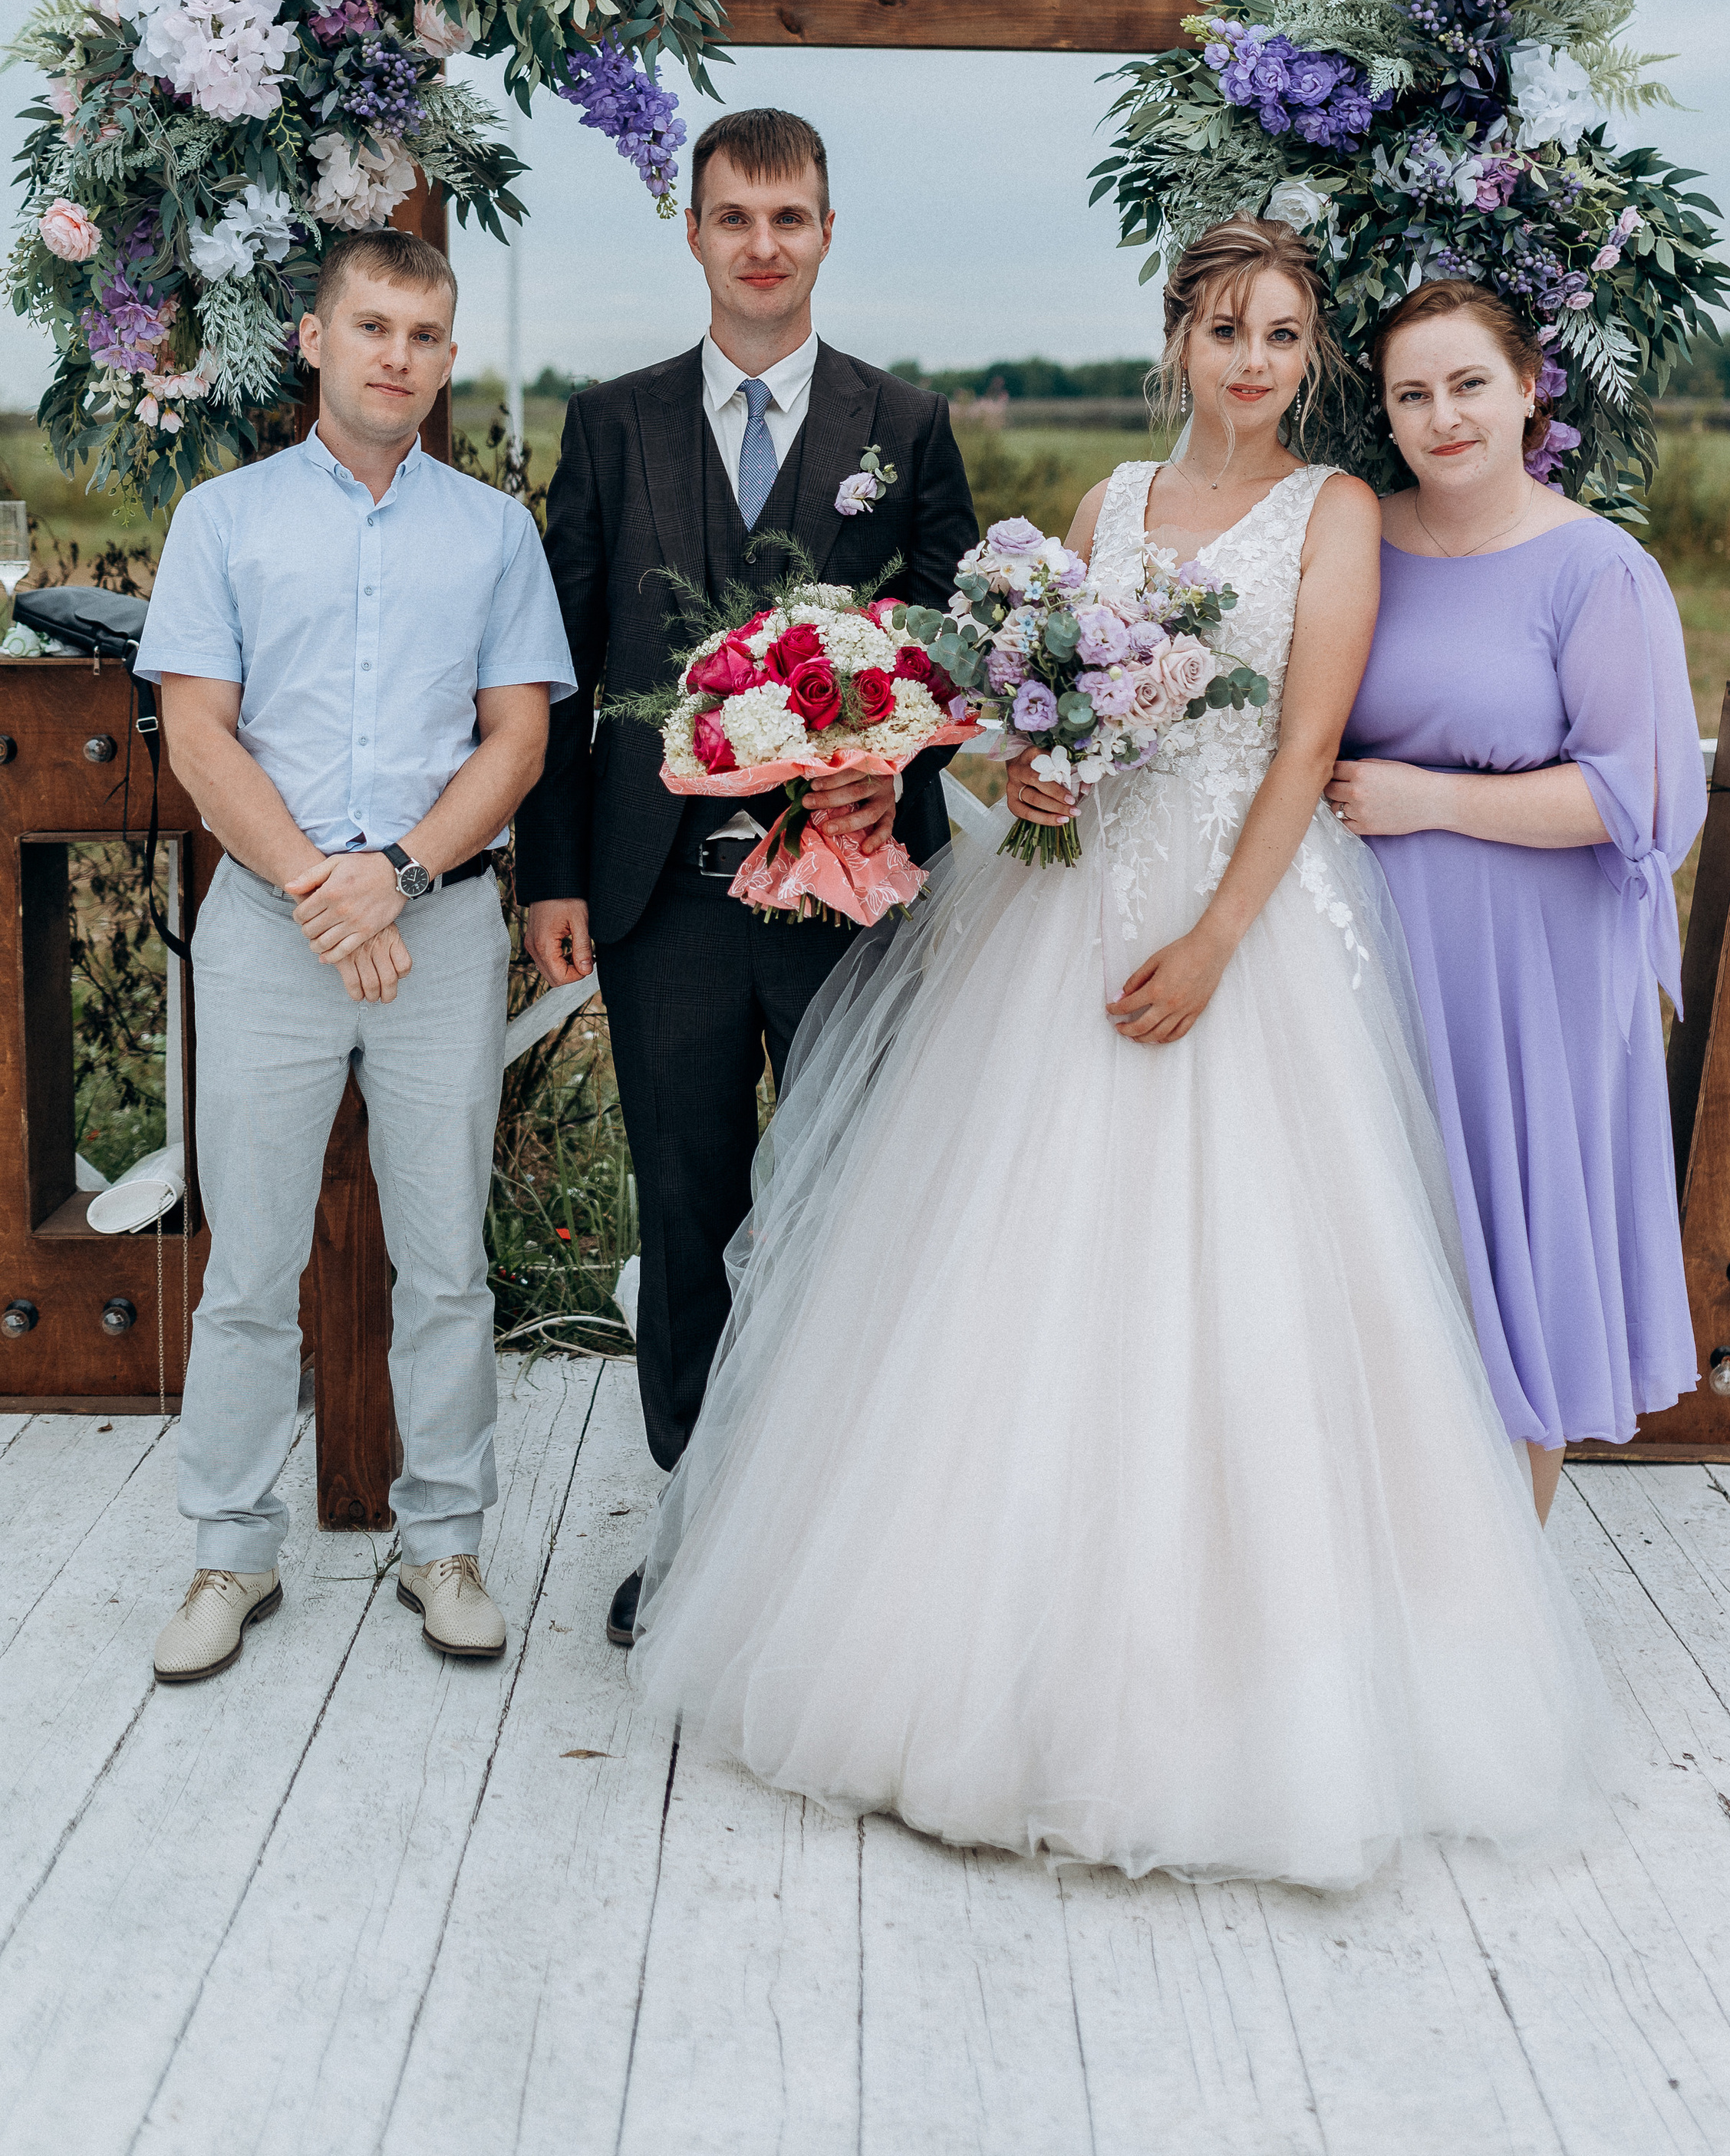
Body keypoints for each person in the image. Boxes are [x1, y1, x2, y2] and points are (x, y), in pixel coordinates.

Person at [624, 216, 1613, 1891]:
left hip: (1249, 914)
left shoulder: (1337, 511)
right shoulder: (1100, 506)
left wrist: (1221, 939)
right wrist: (1023, 775)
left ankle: (1255, 1684)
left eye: (1285, 336)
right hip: (1066, 913)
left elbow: (1304, 742)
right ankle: (971, 1666)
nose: (1253, 360)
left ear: (1309, 361)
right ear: (1177, 338)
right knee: (1015, 1263)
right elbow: (1031, 715)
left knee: (1257, 1274)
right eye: (1228, 328)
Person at [514, 107, 977, 1648]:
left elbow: (953, 653)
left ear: (827, 232)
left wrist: (891, 764)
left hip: (856, 893)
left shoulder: (901, 424)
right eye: (733, 218)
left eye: (789, 218)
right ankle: (699, 1525)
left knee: (848, 1209)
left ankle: (846, 1539)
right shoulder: (614, 423)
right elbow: (567, 673)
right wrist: (551, 877)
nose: (761, 245)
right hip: (664, 907)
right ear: (695, 232)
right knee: (688, 1199)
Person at [138, 227, 576, 1685]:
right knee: (250, 1262)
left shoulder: (494, 534)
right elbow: (199, 730)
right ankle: (227, 1554)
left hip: (436, 929)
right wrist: (322, 889)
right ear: (316, 341)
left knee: (446, 1258)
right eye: (374, 326)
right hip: (270, 932)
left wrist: (394, 877)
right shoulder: (224, 519)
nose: (400, 355)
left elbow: (517, 738)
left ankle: (443, 1542)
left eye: (427, 335)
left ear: (448, 360)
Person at [1326, 278, 1705, 1524]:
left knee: (1519, 1255)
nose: (1444, 418)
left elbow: (1629, 798)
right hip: (1367, 953)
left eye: (1469, 384)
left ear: (1532, 384)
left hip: (1534, 972)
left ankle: (1507, 1595)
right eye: (1413, 395)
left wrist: (1430, 802)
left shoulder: (1598, 569)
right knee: (1387, 1251)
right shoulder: (1352, 536)